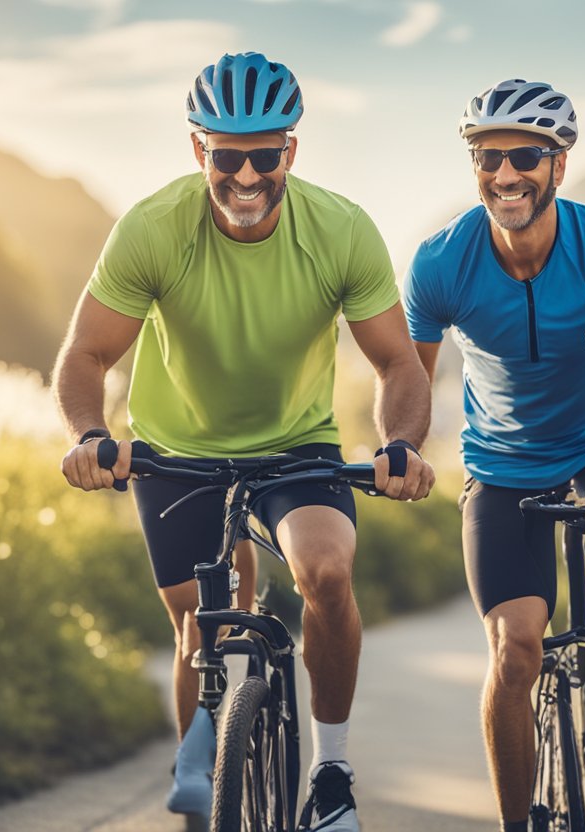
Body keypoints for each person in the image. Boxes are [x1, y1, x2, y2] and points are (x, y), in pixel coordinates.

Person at [54, 52, 435, 832]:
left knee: (326, 572)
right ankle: (204, 782)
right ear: (200, 149)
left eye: (266, 154)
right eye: (229, 157)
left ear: (290, 149)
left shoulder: (342, 231)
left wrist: (399, 443)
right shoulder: (153, 229)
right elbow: (85, 355)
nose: (249, 176)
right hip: (174, 452)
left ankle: (331, 772)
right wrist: (90, 436)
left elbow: (399, 362)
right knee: (199, 623)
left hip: (297, 447)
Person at [403, 79, 585, 831]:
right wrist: (400, 448)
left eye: (525, 157)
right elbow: (408, 377)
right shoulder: (440, 262)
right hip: (500, 467)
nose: (505, 173)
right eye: (488, 157)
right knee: (515, 653)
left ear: (558, 166)